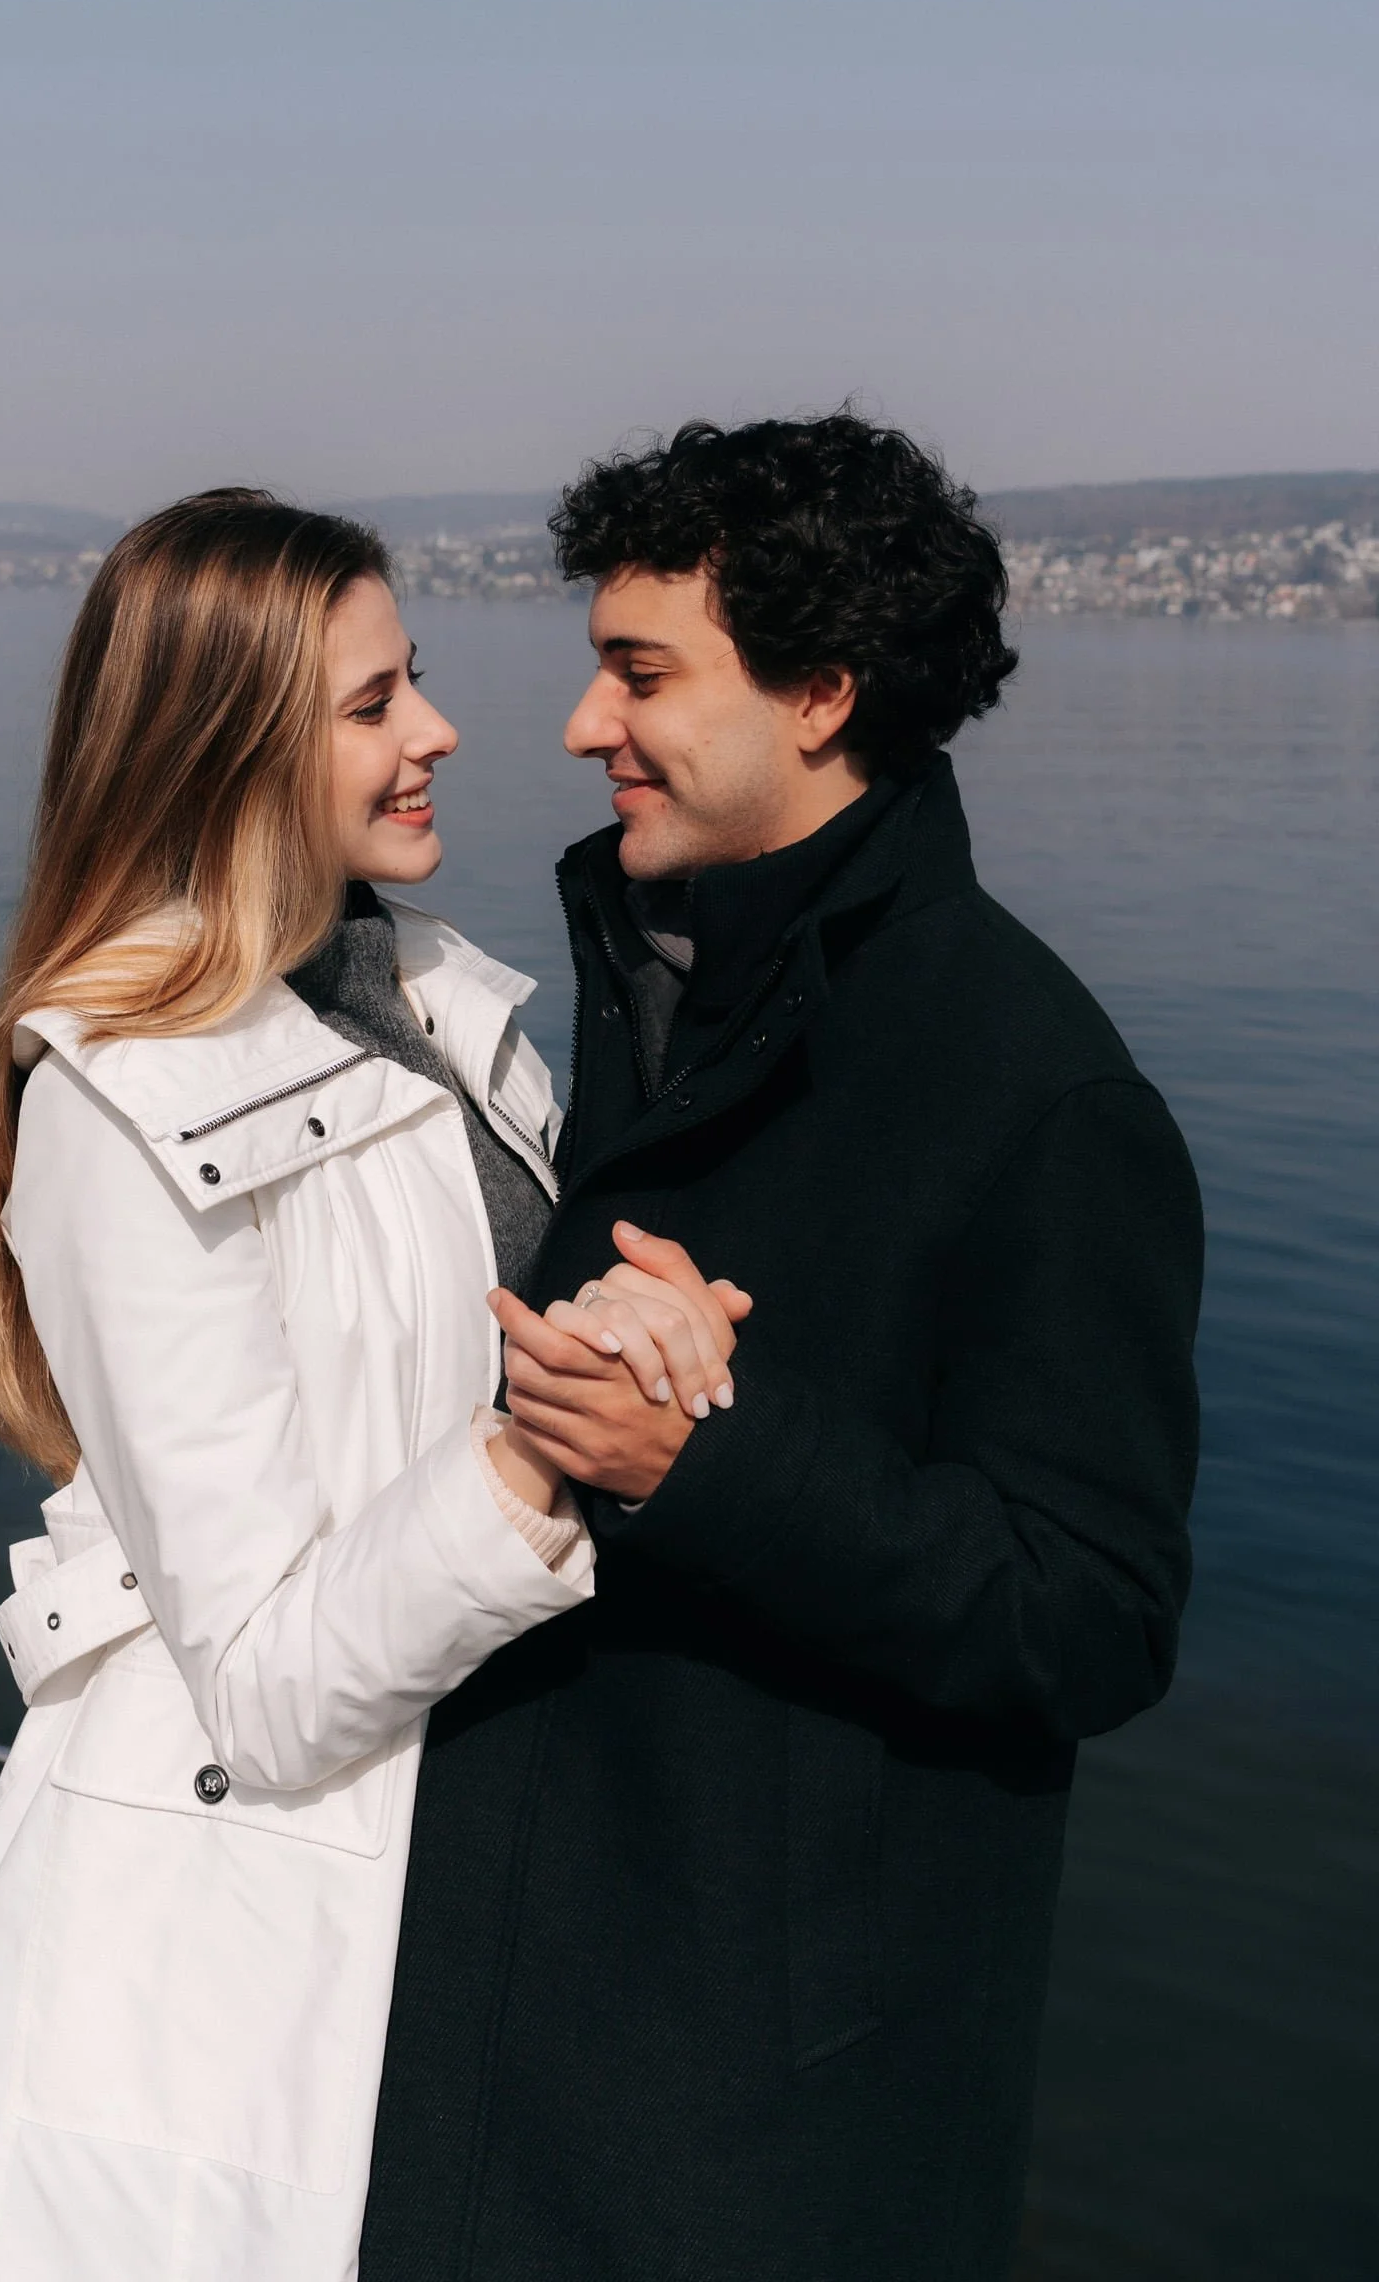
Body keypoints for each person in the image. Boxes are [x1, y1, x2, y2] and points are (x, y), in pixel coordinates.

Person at [359, 414, 1204, 2282]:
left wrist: (706, 1465)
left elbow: (1093, 1615)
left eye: (641, 672)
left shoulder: (1040, 1094)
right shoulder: (655, 987)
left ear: (821, 693)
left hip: (755, 2123)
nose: (584, 725)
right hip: (502, 2005)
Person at [0, 488, 672, 2282]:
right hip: (210, 1954)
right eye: (372, 703)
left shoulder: (430, 1003)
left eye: (417, 679)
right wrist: (537, 1460)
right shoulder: (115, 1102)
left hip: (438, 1881)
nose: (439, 731)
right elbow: (257, 1684)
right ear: (226, 745)